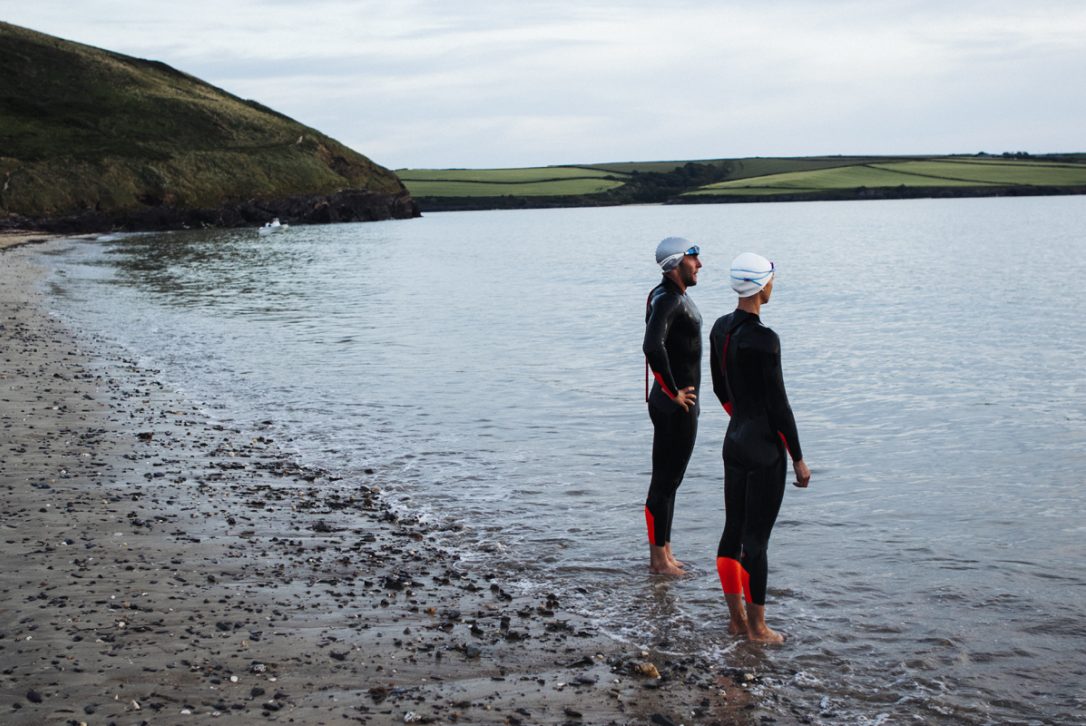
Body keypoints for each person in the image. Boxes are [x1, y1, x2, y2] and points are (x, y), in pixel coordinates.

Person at [709, 252, 810, 642]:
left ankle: (735, 620)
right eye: (772, 279)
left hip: (733, 440)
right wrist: (798, 458)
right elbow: (779, 405)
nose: (773, 286)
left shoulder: (721, 329)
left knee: (732, 532)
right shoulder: (766, 340)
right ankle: (758, 628)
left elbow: (720, 387)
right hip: (765, 447)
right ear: (761, 285)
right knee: (757, 542)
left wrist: (740, 418)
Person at [642, 236, 702, 576]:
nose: (700, 264)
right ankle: (658, 561)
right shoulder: (668, 299)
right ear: (677, 263)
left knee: (670, 481)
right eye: (694, 258)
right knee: (664, 482)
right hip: (675, 405)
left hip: (671, 403)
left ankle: (665, 551)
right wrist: (674, 390)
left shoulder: (668, 295)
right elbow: (652, 346)